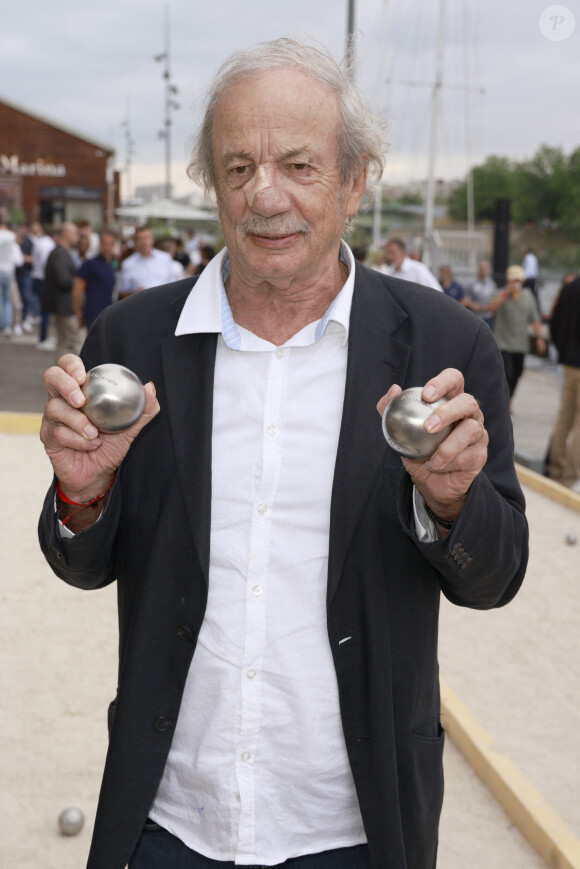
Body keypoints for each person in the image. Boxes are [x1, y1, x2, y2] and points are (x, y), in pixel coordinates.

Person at [38, 38, 528, 869]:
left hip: (357, 827)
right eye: (237, 168)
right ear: (213, 183)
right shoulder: (133, 340)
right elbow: (85, 564)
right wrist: (83, 496)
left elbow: (497, 575)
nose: (265, 195)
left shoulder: (445, 345)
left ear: (354, 179)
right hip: (169, 819)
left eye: (298, 165)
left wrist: (452, 503)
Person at [487, 264, 546, 404]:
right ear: (508, 280)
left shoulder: (528, 296)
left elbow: (536, 319)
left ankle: (509, 400)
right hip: (503, 343)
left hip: (520, 344)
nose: (516, 283)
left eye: (519, 280)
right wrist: (506, 292)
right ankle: (505, 404)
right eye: (514, 280)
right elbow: (491, 308)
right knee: (507, 374)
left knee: (517, 375)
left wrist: (540, 338)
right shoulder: (500, 293)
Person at [547, 276, 580, 489]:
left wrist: (563, 350)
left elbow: (554, 323)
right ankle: (571, 476)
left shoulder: (568, 289)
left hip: (568, 362)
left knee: (564, 417)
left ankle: (556, 470)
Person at [42, 222, 81, 359]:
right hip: (63, 306)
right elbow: (63, 280)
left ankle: (58, 373)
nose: (78, 236)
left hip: (62, 305)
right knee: (77, 339)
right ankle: (83, 374)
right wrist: (80, 282)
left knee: (63, 341)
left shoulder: (61, 252)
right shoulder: (59, 253)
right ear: (66, 235)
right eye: (75, 233)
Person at [72, 229, 118, 332]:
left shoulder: (111, 265)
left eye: (110, 244)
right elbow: (77, 290)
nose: (107, 247)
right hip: (93, 314)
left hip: (108, 314)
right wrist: (78, 313)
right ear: (100, 244)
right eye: (105, 244)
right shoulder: (90, 264)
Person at [118, 225, 176, 299]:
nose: (144, 242)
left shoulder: (165, 258)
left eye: (146, 238)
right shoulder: (128, 264)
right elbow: (122, 293)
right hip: (141, 306)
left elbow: (173, 285)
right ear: (135, 242)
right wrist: (136, 293)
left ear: (152, 239)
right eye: (140, 239)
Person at [30, 222, 56, 349]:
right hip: (43, 280)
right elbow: (48, 265)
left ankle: (43, 337)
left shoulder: (41, 243)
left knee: (43, 311)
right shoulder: (48, 245)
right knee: (45, 311)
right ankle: (43, 338)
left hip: (38, 277)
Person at [0, 214, 24, 336]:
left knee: (1, 300)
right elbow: (18, 260)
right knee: (8, 301)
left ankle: (2, 326)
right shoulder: (11, 236)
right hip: (9, 271)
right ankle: (7, 326)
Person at [463, 260, 496, 328]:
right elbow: (464, 300)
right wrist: (472, 304)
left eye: (485, 268)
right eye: (481, 268)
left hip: (488, 316)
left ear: (489, 270)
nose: (483, 270)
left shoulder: (492, 284)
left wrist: (485, 307)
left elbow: (494, 300)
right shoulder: (471, 284)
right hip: (475, 315)